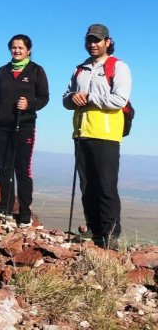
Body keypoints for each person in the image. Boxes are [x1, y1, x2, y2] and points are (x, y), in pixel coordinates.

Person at [62, 24, 131, 249]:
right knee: (87, 185)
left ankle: (111, 234)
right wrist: (73, 98)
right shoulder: (79, 69)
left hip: (107, 134)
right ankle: (94, 229)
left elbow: (120, 100)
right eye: (89, 40)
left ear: (107, 42)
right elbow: (65, 99)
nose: (92, 44)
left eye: (97, 40)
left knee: (105, 186)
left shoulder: (118, 67)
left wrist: (89, 97)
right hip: (81, 132)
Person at [0, 34, 49, 226]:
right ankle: (5, 207)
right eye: (13, 47)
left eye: (21, 47)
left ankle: (24, 212)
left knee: (22, 169)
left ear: (29, 50)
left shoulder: (36, 71)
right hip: (1, 127)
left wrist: (29, 104)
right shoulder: (2, 71)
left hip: (24, 126)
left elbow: (44, 98)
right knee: (4, 169)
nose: (17, 50)